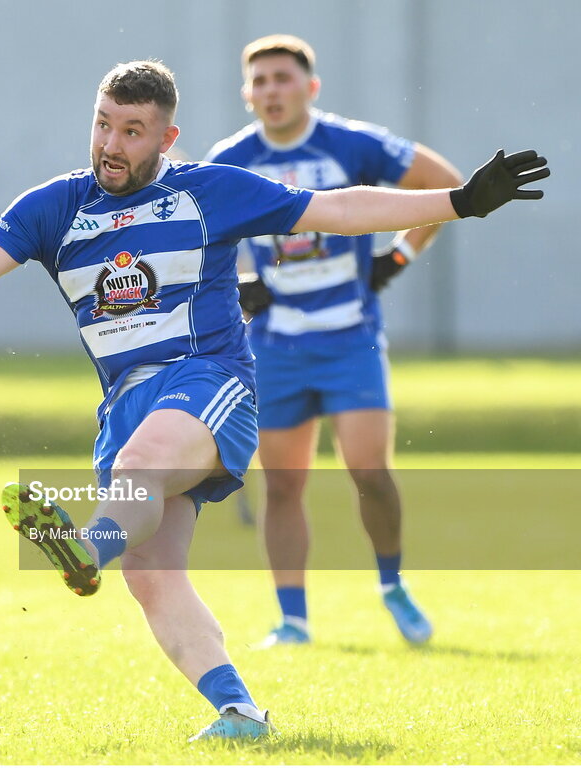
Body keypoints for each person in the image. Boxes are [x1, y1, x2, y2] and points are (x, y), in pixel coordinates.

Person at [0, 60, 546, 741]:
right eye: (103, 123)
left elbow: (337, 208)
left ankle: (84, 546)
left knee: (144, 463)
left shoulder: (209, 190)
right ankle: (239, 709)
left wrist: (456, 202)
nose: (111, 143)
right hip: (123, 402)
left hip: (208, 381)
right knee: (153, 573)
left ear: (168, 136)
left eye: (132, 131)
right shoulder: (55, 207)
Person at [205, 34, 466, 647]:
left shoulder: (351, 143)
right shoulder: (231, 158)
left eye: (283, 79)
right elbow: (197, 242)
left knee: (369, 471)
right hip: (273, 347)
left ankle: (392, 584)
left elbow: (445, 183)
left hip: (351, 339)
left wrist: (397, 256)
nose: (272, 91)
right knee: (284, 485)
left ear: (310, 88)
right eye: (260, 82)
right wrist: (236, 285)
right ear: (248, 95)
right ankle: (292, 620)